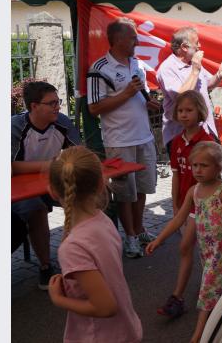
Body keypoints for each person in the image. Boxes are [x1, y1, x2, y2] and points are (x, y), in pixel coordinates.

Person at [147, 141, 222, 343]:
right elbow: (179, 219)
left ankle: (199, 334)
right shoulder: (194, 191)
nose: (198, 170)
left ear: (218, 167)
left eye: (204, 165)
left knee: (208, 287)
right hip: (207, 251)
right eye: (195, 165)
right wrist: (159, 239)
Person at [47, 146, 142, 343]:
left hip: (99, 335)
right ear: (101, 184)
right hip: (125, 328)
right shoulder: (103, 220)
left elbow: (105, 307)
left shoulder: (72, 248)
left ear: (52, 191)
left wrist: (59, 299)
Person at [87, 17, 160, 258]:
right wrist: (127, 93)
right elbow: (94, 108)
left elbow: (140, 94)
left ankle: (139, 230)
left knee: (142, 188)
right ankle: (128, 237)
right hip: (119, 141)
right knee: (124, 193)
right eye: (133, 38)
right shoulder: (99, 69)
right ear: (118, 39)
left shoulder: (136, 63)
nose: (137, 41)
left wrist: (149, 103)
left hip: (144, 136)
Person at [12, 81, 81, 289]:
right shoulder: (15, 127)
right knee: (36, 210)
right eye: (51, 103)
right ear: (34, 106)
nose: (57, 107)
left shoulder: (61, 122)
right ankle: (45, 267)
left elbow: (78, 153)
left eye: (58, 101)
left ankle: (81, 256)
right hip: (19, 189)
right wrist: (49, 165)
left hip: (50, 181)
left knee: (82, 199)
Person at [155, 91, 215, 318]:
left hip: (204, 207)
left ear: (199, 111)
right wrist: (175, 203)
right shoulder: (176, 142)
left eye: (189, 110)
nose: (184, 114)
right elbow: (177, 175)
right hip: (185, 206)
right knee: (189, 249)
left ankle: (182, 295)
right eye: (180, 110)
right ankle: (185, 294)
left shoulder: (207, 142)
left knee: (194, 249)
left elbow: (215, 178)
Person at [157, 26, 222, 152]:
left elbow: (207, 84)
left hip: (204, 129)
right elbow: (181, 97)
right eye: (196, 43)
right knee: (188, 171)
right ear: (184, 47)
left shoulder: (193, 63)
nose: (200, 46)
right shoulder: (167, 68)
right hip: (181, 135)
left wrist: (219, 75)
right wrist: (195, 70)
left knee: (208, 170)